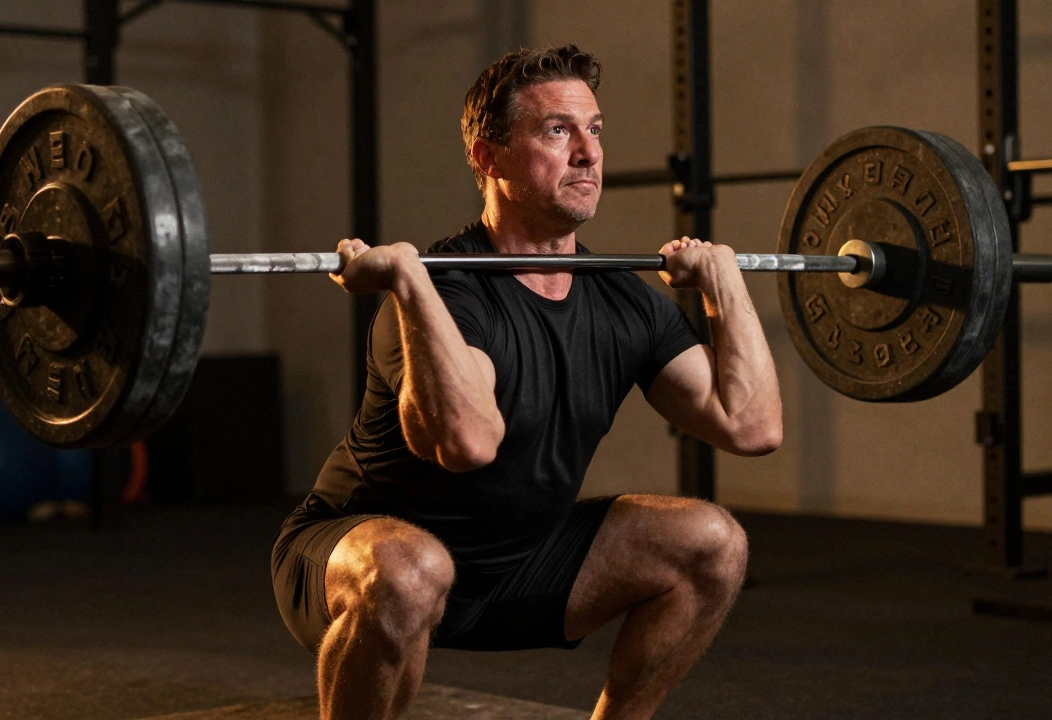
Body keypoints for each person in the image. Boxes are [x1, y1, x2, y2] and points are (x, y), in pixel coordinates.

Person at [271, 44, 782, 720]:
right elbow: (468, 442)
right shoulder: (449, 292)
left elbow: (751, 427)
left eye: (594, 129)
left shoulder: (622, 302)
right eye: (557, 130)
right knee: (409, 570)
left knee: (713, 543)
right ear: (488, 157)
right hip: (357, 559)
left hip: (516, 566)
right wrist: (408, 286)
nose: (589, 154)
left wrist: (727, 289)